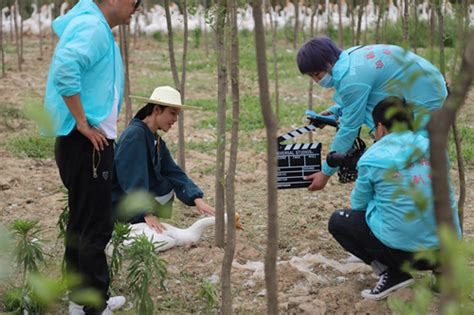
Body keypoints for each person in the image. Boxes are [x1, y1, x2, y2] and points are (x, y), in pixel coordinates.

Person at [44, 0, 140, 313]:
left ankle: (81, 295)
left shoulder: (93, 25)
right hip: (86, 144)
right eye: (135, 1)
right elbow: (66, 66)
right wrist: (83, 122)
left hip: (83, 142)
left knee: (83, 219)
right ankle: (90, 305)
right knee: (95, 224)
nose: (138, 6)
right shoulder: (92, 27)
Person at [327, 97, 462, 300]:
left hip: (405, 254)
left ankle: (392, 273)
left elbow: (359, 206)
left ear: (380, 127)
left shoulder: (372, 157)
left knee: (340, 221)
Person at [296, 36, 448, 191]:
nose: (316, 80)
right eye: (311, 76)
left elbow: (349, 128)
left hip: (425, 93)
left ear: (329, 62)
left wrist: (325, 172)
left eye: (317, 74)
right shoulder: (348, 60)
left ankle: (415, 189)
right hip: (422, 81)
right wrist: (333, 112)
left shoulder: (352, 80)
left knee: (409, 148)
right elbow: (363, 97)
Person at [112, 86, 215, 233]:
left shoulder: (155, 139)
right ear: (157, 110)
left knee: (167, 181)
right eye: (172, 113)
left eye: (177, 114)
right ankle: (131, 221)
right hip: (119, 206)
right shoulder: (135, 136)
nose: (175, 120)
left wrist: (197, 199)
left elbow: (172, 171)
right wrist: (145, 212)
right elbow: (132, 179)